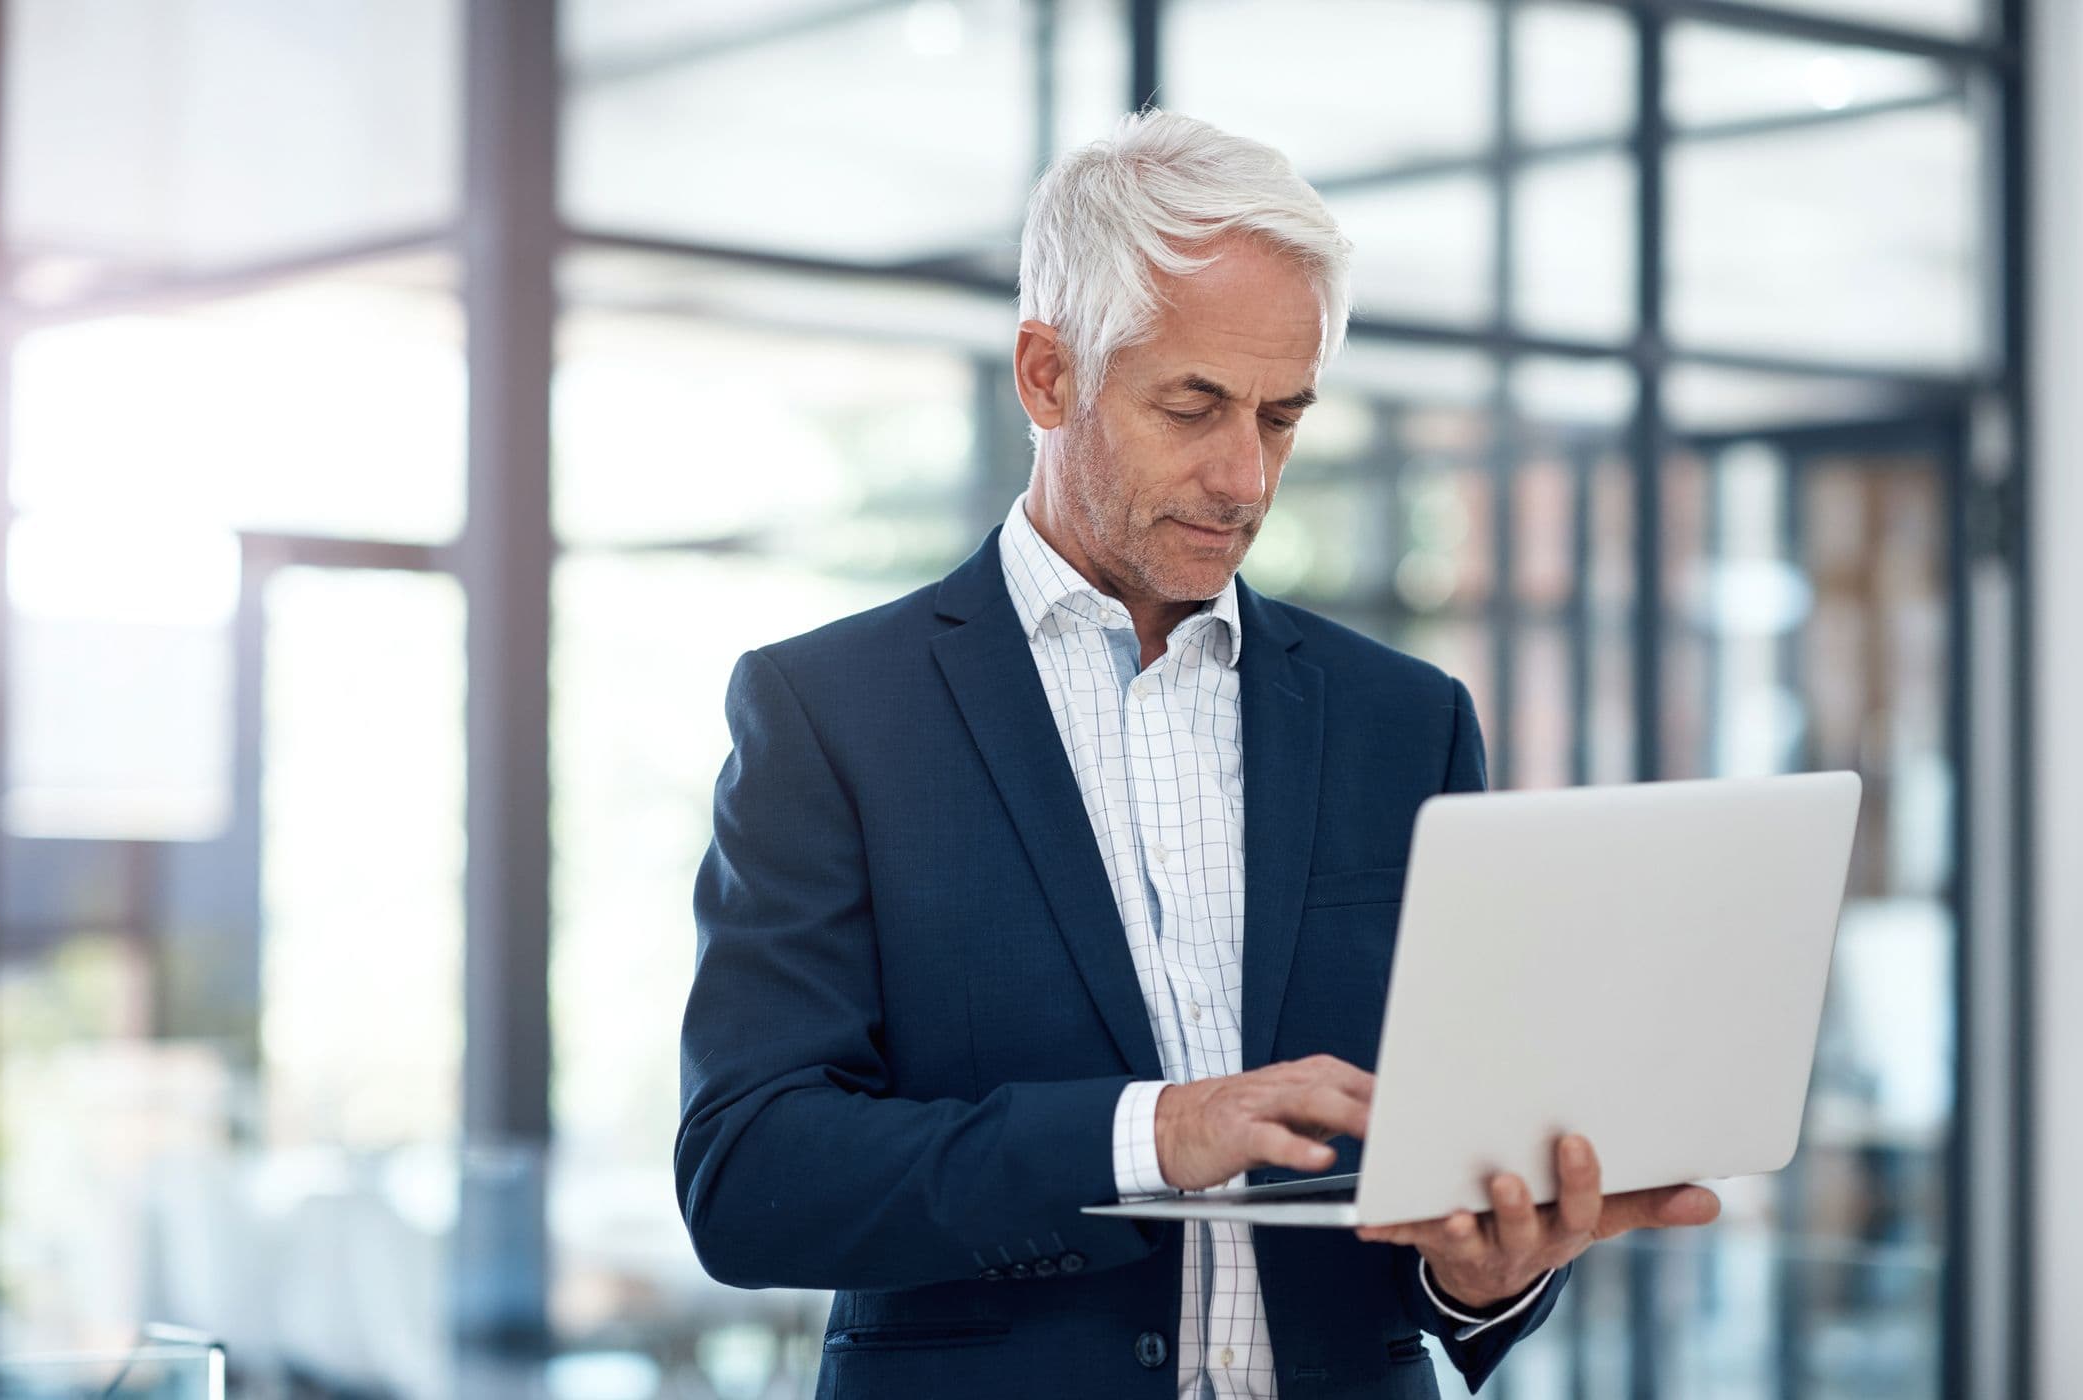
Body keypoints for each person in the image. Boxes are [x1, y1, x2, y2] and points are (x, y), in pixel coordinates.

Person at [676, 109, 1721, 1400]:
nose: (1244, 477)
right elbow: (751, 1177)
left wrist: (1486, 1267)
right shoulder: (830, 711)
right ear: (1046, 375)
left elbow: (1427, 1180)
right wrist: (1154, 1131)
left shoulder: (1406, 720)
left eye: (1282, 417)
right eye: (1193, 406)